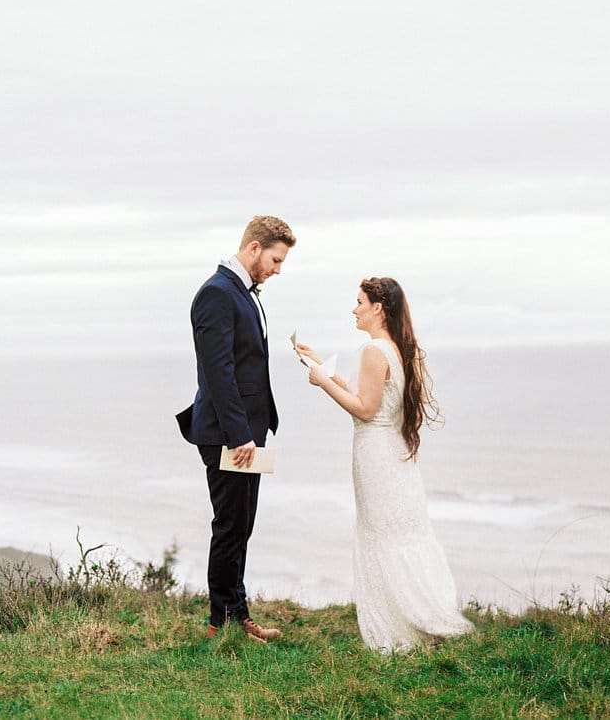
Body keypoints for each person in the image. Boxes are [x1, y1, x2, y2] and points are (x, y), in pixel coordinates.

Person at [298, 276, 473, 652]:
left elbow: (365, 409)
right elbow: (369, 395)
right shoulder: (394, 348)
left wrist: (323, 384)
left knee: (382, 534)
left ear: (378, 308)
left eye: (359, 302)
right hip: (391, 451)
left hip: (376, 454)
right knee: (402, 532)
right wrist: (319, 366)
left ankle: (398, 627)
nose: (354, 308)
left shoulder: (372, 351)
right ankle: (420, 614)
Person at [177, 215, 296, 642]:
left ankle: (236, 612)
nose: (277, 270)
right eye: (276, 260)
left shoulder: (242, 293)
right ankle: (218, 622)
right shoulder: (215, 294)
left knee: (242, 524)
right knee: (229, 525)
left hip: (248, 432)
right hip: (229, 435)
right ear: (254, 249)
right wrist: (240, 433)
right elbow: (219, 372)